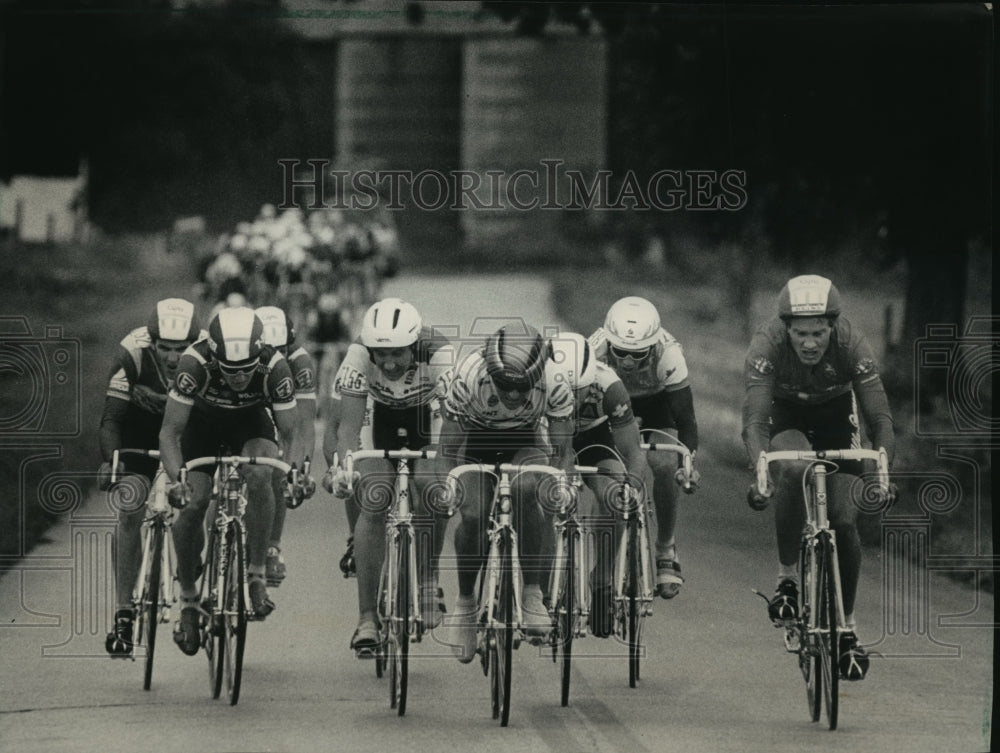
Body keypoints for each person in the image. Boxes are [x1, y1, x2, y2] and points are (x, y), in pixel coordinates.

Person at [742, 274, 896, 681]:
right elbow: (755, 422)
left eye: (818, 333)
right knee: (793, 467)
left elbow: (879, 418)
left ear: (833, 327)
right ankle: (788, 580)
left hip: (834, 414)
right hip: (786, 413)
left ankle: (846, 628)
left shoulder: (852, 345)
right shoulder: (767, 345)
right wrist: (762, 473)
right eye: (800, 334)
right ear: (785, 329)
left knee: (844, 523)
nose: (810, 343)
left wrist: (882, 472)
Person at [159, 306, 313, 656]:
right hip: (202, 425)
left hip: (249, 421)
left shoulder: (275, 367)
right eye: (230, 370)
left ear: (259, 355)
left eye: (246, 370)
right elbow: (170, 432)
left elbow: (291, 434)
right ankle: (187, 598)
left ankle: (256, 574)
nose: (239, 377)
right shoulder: (193, 363)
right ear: (215, 357)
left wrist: (291, 473)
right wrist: (176, 479)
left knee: (261, 473)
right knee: (195, 501)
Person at [437, 322, 577, 663]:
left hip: (524, 444)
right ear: (489, 371)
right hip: (475, 445)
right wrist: (449, 488)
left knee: (529, 488)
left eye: (523, 387)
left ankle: (532, 593)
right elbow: (447, 450)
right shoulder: (467, 375)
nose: (513, 396)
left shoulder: (556, 381)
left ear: (539, 374)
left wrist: (562, 485)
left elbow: (562, 453)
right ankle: (466, 602)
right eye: (505, 386)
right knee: (471, 514)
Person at [321, 298, 454, 656]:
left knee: (433, 486)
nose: (390, 363)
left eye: (398, 353)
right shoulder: (358, 358)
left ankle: (427, 582)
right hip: (375, 420)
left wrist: (447, 471)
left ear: (415, 345)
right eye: (382, 355)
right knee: (374, 494)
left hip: (426, 419)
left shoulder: (439, 353)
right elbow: (345, 431)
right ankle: (367, 619)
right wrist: (344, 470)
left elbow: (455, 429)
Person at [547, 331, 689, 638]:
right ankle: (541, 579)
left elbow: (631, 453)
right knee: (541, 491)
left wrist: (630, 490)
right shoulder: (536, 382)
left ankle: (602, 580)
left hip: (594, 438)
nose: (574, 399)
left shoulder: (609, 384)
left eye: (582, 391)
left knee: (614, 494)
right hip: (549, 438)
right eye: (565, 391)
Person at [99, 298, 202, 657]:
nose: (174, 358)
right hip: (139, 436)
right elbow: (112, 419)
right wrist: (113, 462)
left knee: (195, 504)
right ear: (151, 342)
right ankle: (124, 613)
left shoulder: (206, 355)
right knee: (130, 507)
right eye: (165, 349)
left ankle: (192, 562)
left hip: (184, 436)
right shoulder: (132, 353)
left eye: (181, 349)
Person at [589, 296, 700, 599]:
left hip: (655, 404)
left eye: (637, 355)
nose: (626, 361)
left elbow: (686, 420)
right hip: (609, 401)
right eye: (621, 352)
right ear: (609, 342)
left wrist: (687, 463)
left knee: (665, 464)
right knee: (610, 477)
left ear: (652, 347)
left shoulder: (669, 354)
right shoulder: (593, 351)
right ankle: (604, 565)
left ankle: (665, 547)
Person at [255, 305, 318, 587]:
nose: (275, 357)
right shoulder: (242, 354)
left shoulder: (300, 363)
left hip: (283, 409)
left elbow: (304, 425)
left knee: (280, 469)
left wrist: (299, 469)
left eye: (281, 349)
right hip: (251, 406)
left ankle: (271, 547)